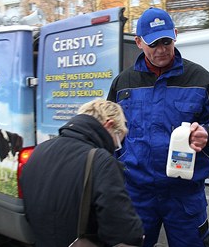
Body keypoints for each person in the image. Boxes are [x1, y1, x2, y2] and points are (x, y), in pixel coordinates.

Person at [107, 7, 209, 247]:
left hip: (184, 195)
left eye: (166, 41)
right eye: (154, 44)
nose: (162, 50)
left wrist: (206, 134)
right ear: (139, 42)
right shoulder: (123, 84)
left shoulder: (200, 78)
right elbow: (109, 131)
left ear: (175, 34)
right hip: (137, 194)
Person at [20, 99, 144, 247]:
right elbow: (124, 231)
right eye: (118, 140)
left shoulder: (39, 151)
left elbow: (28, 209)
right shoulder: (101, 161)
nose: (115, 147)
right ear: (109, 125)